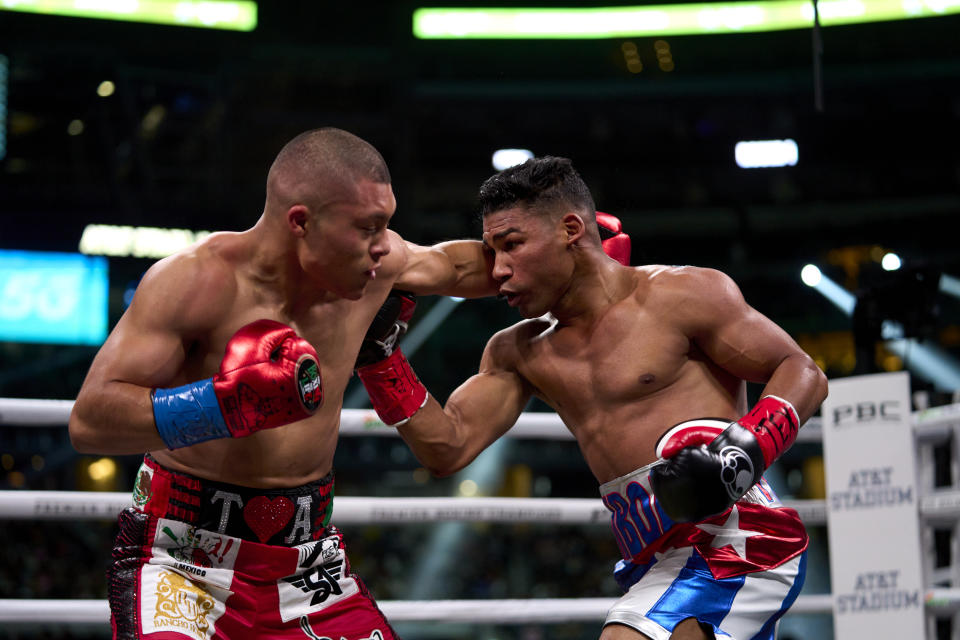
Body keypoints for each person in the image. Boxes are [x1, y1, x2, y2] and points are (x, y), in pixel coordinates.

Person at [354, 156, 829, 640]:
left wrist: (742, 451)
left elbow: (802, 371)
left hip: (734, 539)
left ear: (571, 229)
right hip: (653, 558)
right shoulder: (520, 351)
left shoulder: (683, 295)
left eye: (512, 245)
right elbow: (446, 447)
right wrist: (381, 361)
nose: (497, 270)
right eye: (491, 252)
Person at [68, 127, 497, 640]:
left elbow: (458, 266)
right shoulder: (196, 282)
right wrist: (225, 405)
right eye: (368, 227)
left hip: (308, 563)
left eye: (387, 224)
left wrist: (570, 258)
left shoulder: (377, 267)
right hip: (183, 558)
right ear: (301, 222)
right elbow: (90, 419)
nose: (385, 245)